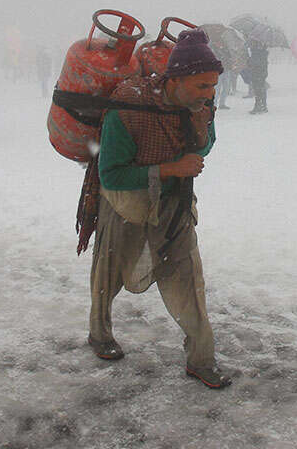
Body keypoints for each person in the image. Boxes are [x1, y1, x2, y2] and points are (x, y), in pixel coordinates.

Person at [84, 28, 231, 389]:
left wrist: (195, 148)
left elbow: (205, 144)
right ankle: (99, 333)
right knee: (109, 274)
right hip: (125, 207)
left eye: (213, 86)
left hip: (174, 207)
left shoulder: (201, 107)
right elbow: (112, 175)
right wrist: (170, 168)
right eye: (201, 86)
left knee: (189, 281)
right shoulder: (128, 109)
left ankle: (201, 358)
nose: (209, 95)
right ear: (176, 79)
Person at [247, 38, 269, 114]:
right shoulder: (263, 52)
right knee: (261, 89)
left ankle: (258, 106)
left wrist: (249, 60)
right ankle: (263, 106)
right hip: (262, 73)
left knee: (258, 90)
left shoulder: (256, 53)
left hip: (257, 73)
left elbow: (254, 64)